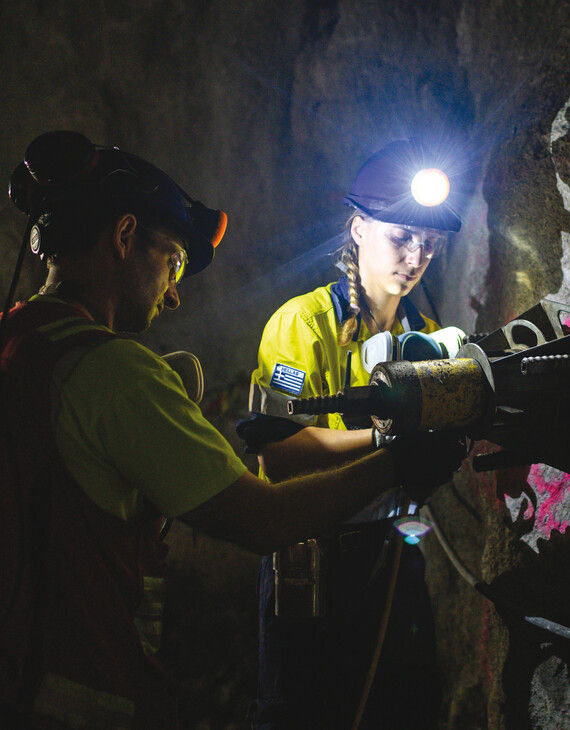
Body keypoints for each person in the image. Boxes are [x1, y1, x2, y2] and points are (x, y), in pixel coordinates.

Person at [0, 131, 462, 730]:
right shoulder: (120, 370)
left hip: (26, 667)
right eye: (175, 263)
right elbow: (266, 498)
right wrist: (396, 452)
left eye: (429, 243)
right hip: (76, 683)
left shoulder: (20, 342)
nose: (174, 296)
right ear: (123, 237)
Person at [237, 139, 466, 730]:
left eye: (430, 242)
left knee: (404, 708)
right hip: (310, 560)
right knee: (304, 714)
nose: (416, 255)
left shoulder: (432, 340)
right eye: (401, 236)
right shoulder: (301, 325)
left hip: (395, 555)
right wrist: (388, 444)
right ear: (358, 228)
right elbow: (280, 451)